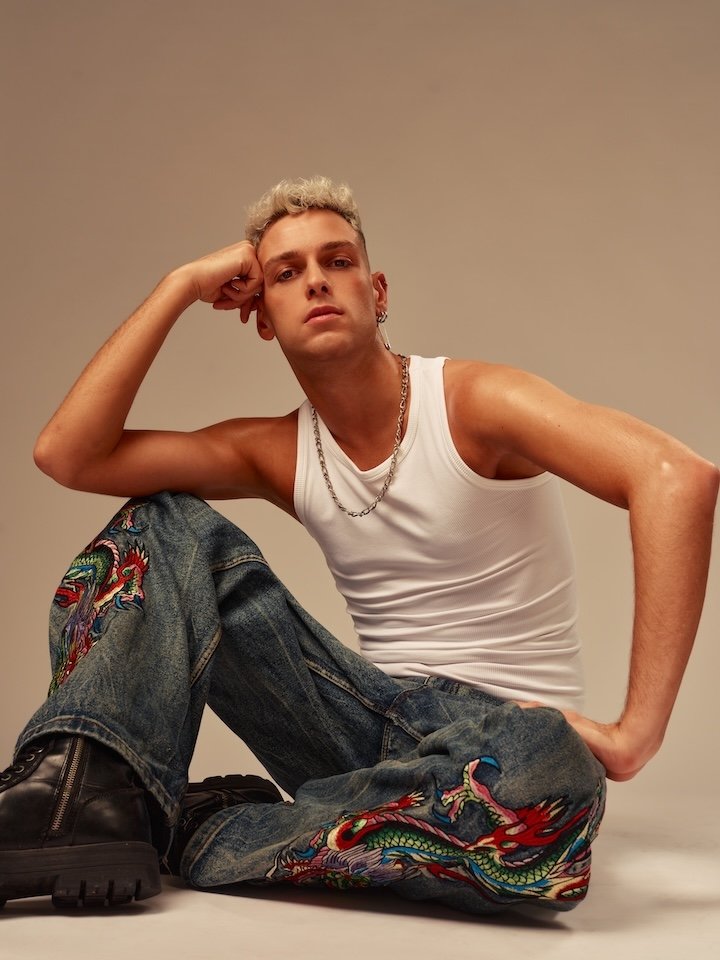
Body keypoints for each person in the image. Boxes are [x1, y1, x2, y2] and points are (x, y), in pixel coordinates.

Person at [0, 178, 717, 917]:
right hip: (356, 724)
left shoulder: (473, 402)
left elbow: (675, 478)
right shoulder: (278, 450)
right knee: (163, 522)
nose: (316, 280)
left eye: (337, 261)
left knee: (551, 776)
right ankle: (80, 791)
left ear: (376, 292)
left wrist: (635, 734)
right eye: (286, 273)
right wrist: (179, 286)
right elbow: (70, 455)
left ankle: (199, 829)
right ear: (263, 318)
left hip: (500, 746)